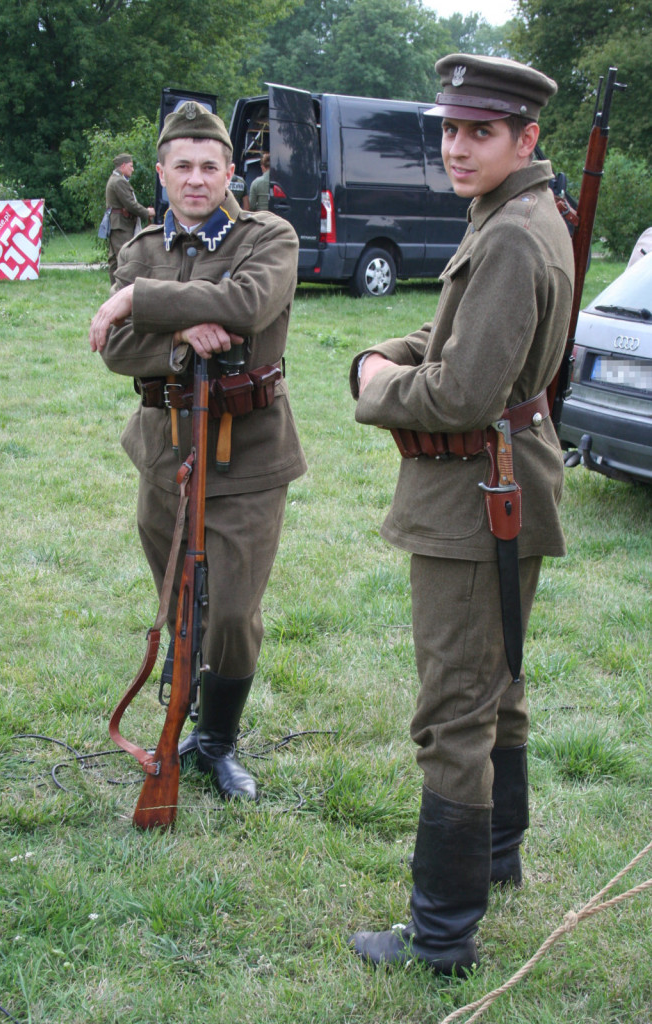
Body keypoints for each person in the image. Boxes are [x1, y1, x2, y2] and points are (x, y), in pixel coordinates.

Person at [347, 54, 575, 975]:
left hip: (477, 499)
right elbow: (461, 335)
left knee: (454, 714)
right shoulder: (520, 216)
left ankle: (441, 937)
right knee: (497, 691)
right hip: (502, 486)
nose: (457, 145)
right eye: (449, 128)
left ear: (525, 138)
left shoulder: (514, 232)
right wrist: (385, 346)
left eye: (480, 131)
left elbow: (461, 390)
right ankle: (497, 857)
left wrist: (375, 384)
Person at [89, 103, 306, 801]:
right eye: (181, 165)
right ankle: (180, 720)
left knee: (234, 611)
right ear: (160, 172)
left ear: (228, 172)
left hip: (248, 454)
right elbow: (116, 349)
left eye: (209, 166)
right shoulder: (144, 244)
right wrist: (182, 336)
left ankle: (215, 742)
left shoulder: (265, 234)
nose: (195, 179)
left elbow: (246, 305)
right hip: (164, 451)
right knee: (179, 601)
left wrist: (142, 303)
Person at [104, 153, 155, 284]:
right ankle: (121, 290)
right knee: (125, 258)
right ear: (123, 165)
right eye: (131, 166)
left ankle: (115, 290)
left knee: (115, 260)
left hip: (117, 224)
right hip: (122, 225)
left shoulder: (114, 179)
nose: (133, 169)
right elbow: (130, 204)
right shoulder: (119, 181)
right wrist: (147, 212)